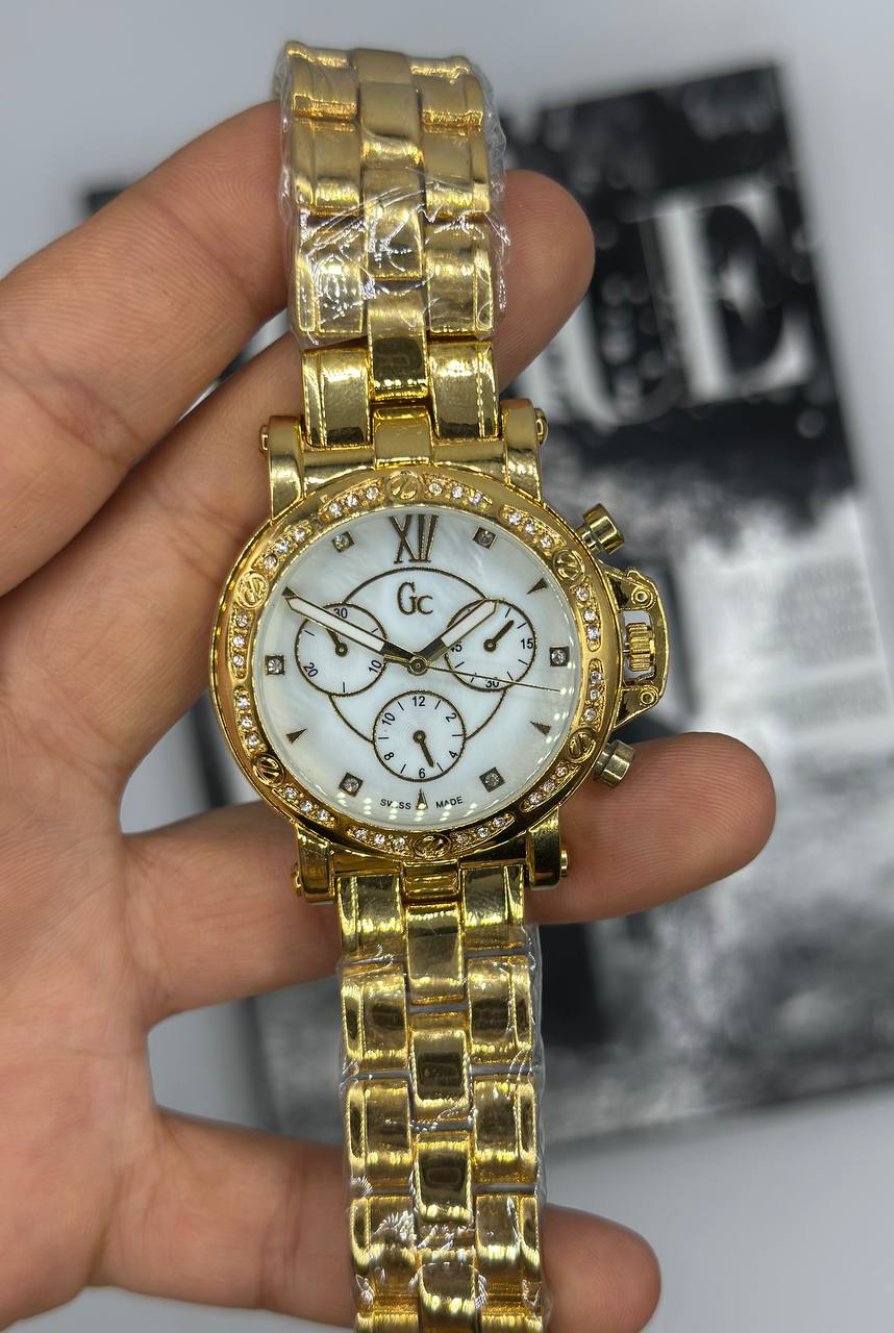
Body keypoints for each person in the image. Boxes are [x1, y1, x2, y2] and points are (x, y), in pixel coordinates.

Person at [0, 100, 775, 1332]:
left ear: (618, 649)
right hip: (392, 813)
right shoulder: (349, 575)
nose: (415, 655)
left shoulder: (491, 587)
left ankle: (475, 1243)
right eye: (381, 647)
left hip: (441, 807)